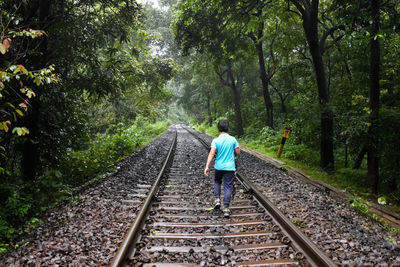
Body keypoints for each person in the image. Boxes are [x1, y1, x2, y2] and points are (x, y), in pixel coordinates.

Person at [204, 120, 240, 218]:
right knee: (228, 186)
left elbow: (211, 153)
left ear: (218, 129)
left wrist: (207, 166)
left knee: (217, 181)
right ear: (228, 128)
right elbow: (238, 152)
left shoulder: (215, 140)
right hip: (230, 168)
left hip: (219, 167)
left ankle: (217, 200)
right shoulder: (233, 139)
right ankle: (227, 208)